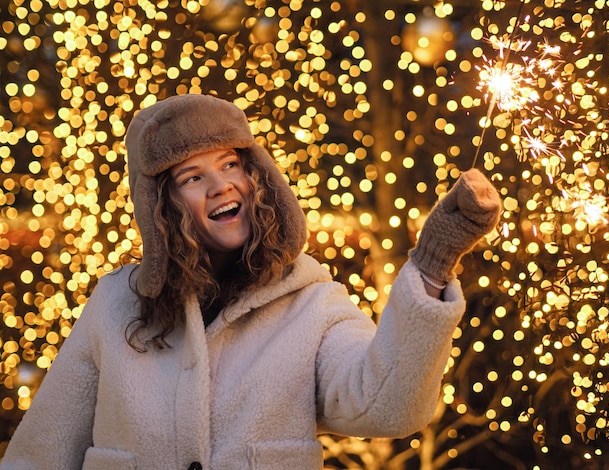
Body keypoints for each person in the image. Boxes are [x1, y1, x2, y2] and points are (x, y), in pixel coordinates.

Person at [0, 94, 501, 469]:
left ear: (257, 177)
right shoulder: (115, 305)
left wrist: (433, 262)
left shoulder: (313, 302)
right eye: (192, 177)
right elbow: (40, 453)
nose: (220, 185)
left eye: (230, 164)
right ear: (163, 208)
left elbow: (387, 406)